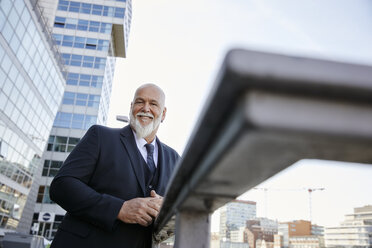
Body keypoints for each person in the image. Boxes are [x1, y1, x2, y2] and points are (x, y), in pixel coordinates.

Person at [49, 84, 180, 248]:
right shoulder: (100, 137)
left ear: (163, 113)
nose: (145, 108)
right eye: (140, 102)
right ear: (131, 107)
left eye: (153, 104)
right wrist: (119, 209)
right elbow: (61, 186)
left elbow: (179, 208)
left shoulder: (174, 159)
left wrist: (166, 208)